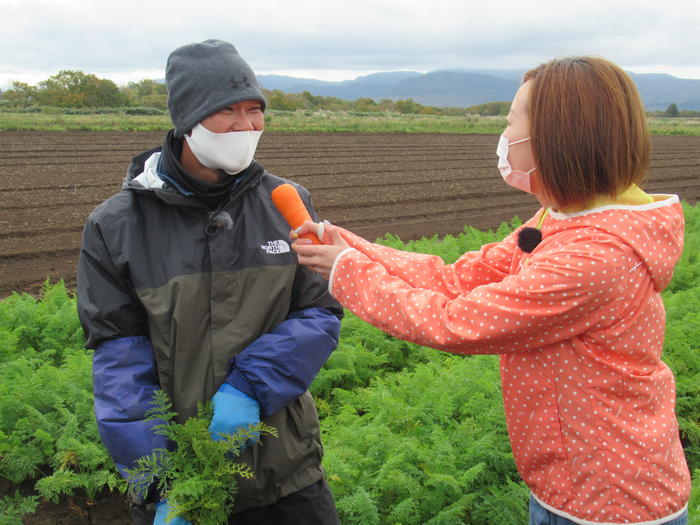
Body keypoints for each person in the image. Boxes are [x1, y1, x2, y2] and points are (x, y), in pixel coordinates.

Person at [292, 56, 690, 525]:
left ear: (555, 137)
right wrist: (350, 246)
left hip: (611, 502)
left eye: (510, 122)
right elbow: (458, 277)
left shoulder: (595, 257)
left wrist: (348, 272)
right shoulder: (561, 219)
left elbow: (454, 322)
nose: (504, 136)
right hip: (566, 485)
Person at [77, 39, 343, 525]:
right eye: (227, 112)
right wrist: (158, 482)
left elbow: (319, 313)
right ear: (188, 121)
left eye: (255, 110)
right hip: (185, 478)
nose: (246, 126)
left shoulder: (286, 202)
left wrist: (250, 385)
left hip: (286, 472)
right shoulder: (117, 225)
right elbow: (120, 360)